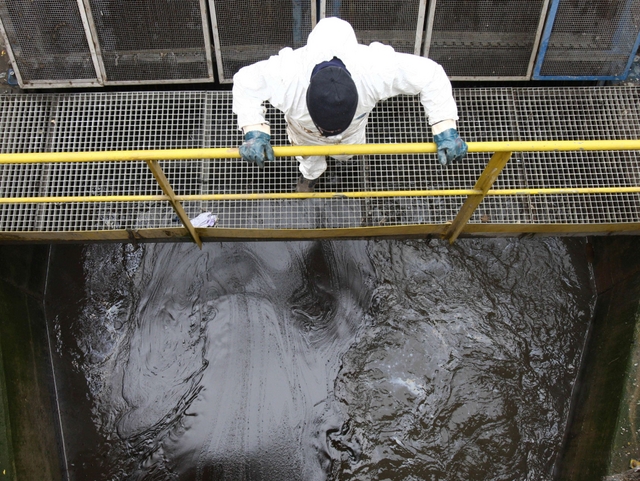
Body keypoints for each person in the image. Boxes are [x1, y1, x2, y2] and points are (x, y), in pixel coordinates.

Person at [232, 17, 467, 193]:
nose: (329, 134)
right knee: (309, 160)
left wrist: (444, 126)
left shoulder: (375, 70)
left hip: (353, 131)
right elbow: (245, 81)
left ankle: (340, 161)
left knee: (347, 153)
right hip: (304, 134)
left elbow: (431, 75)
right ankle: (310, 176)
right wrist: (254, 131)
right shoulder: (286, 76)